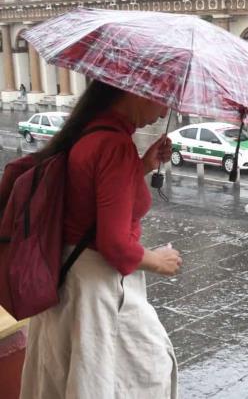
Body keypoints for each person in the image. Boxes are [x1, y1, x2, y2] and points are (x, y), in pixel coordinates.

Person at [19, 80, 181, 399]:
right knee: (149, 370)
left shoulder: (89, 131)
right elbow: (115, 245)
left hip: (69, 276)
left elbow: (92, 198)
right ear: (136, 91)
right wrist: (158, 260)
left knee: (71, 376)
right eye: (163, 100)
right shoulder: (114, 145)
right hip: (97, 288)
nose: (165, 112)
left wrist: (143, 165)